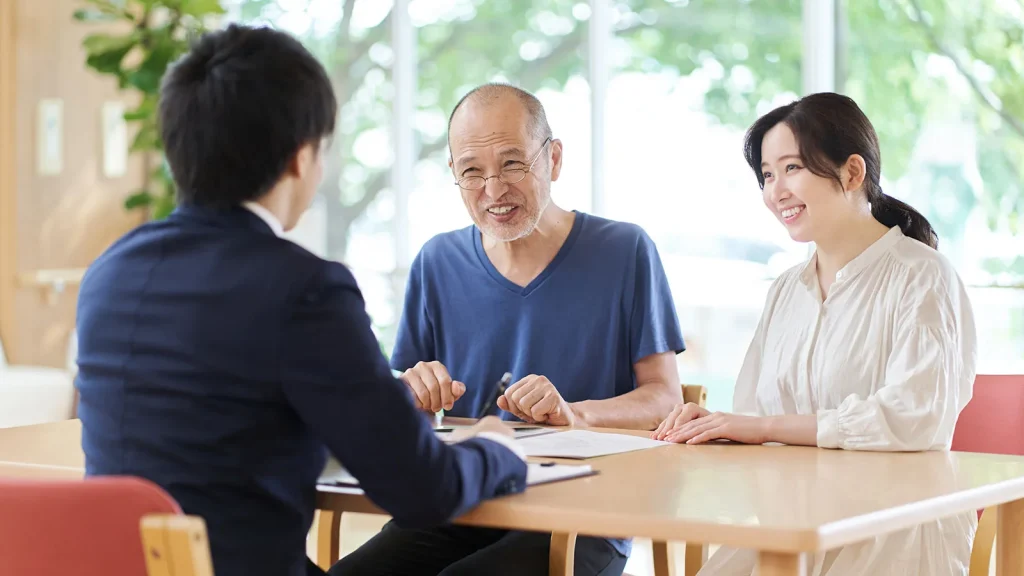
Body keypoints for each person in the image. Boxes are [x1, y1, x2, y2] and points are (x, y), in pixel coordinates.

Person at [74, 25, 528, 576]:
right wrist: (496, 447)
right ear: (300, 157)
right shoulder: (303, 287)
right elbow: (422, 492)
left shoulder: (109, 273)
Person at [329, 83, 686, 576]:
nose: (493, 190)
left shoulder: (626, 251)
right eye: (472, 171)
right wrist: (408, 393)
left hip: (583, 516)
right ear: (453, 174)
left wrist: (573, 414)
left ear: (553, 159)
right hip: (461, 502)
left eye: (513, 163)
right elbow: (402, 410)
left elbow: (665, 399)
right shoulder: (437, 261)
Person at [651, 92, 977, 575]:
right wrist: (718, 426)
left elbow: (913, 417)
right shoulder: (785, 290)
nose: (775, 190)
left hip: (896, 529)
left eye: (792, 168)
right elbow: (755, 412)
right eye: (766, 174)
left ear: (851, 173)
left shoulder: (922, 276)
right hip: (793, 520)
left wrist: (761, 428)